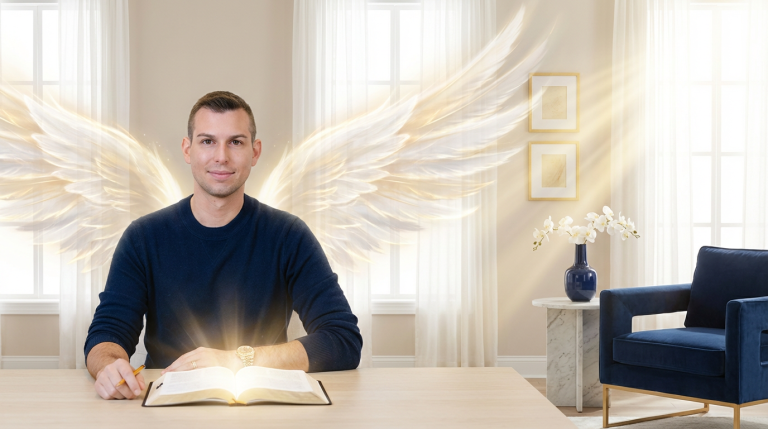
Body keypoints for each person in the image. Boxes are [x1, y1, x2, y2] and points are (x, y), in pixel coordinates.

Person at [84, 91, 362, 400]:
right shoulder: (143, 237)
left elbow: (342, 340)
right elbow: (105, 336)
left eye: (236, 142)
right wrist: (109, 366)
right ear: (187, 149)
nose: (221, 156)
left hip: (264, 409)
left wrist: (237, 360)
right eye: (207, 141)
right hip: (167, 409)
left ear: (254, 152)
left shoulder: (289, 235)